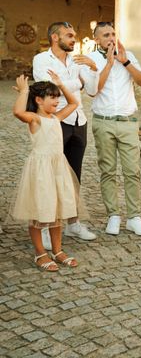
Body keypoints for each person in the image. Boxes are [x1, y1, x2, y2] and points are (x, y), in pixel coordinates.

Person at [10, 73, 87, 271]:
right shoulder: (34, 119)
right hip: (41, 171)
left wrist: (61, 85)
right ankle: (40, 253)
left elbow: (73, 103)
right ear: (38, 100)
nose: (57, 100)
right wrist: (24, 91)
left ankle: (57, 250)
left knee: (57, 209)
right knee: (39, 211)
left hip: (58, 168)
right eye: (52, 97)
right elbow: (18, 111)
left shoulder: (56, 117)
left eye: (57, 96)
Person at [32, 22, 98, 250]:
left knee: (74, 175)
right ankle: (46, 227)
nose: (73, 39)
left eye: (74, 35)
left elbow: (92, 89)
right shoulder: (41, 59)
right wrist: (74, 83)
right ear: (54, 37)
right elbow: (47, 88)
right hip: (56, 121)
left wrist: (92, 68)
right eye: (69, 35)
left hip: (79, 120)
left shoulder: (76, 60)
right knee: (49, 177)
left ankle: (73, 222)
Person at [86, 22, 141, 236]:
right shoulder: (92, 59)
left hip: (127, 122)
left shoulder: (128, 55)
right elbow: (93, 91)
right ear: (97, 39)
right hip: (103, 121)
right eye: (106, 35)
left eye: (113, 33)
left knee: (133, 171)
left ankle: (134, 217)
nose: (111, 37)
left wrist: (125, 62)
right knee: (108, 171)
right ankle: (113, 215)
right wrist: (108, 63)